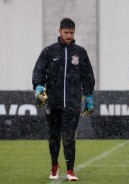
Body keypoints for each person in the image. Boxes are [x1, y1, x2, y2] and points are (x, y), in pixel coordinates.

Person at [32, 18, 95, 181]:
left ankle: (70, 171)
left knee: (68, 138)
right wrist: (39, 86)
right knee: (54, 137)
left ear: (74, 32)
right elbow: (38, 72)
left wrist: (88, 96)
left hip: (73, 103)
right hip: (53, 103)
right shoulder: (49, 51)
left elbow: (88, 76)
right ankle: (54, 165)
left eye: (71, 32)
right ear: (60, 31)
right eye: (66, 32)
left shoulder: (80, 52)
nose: (68, 35)